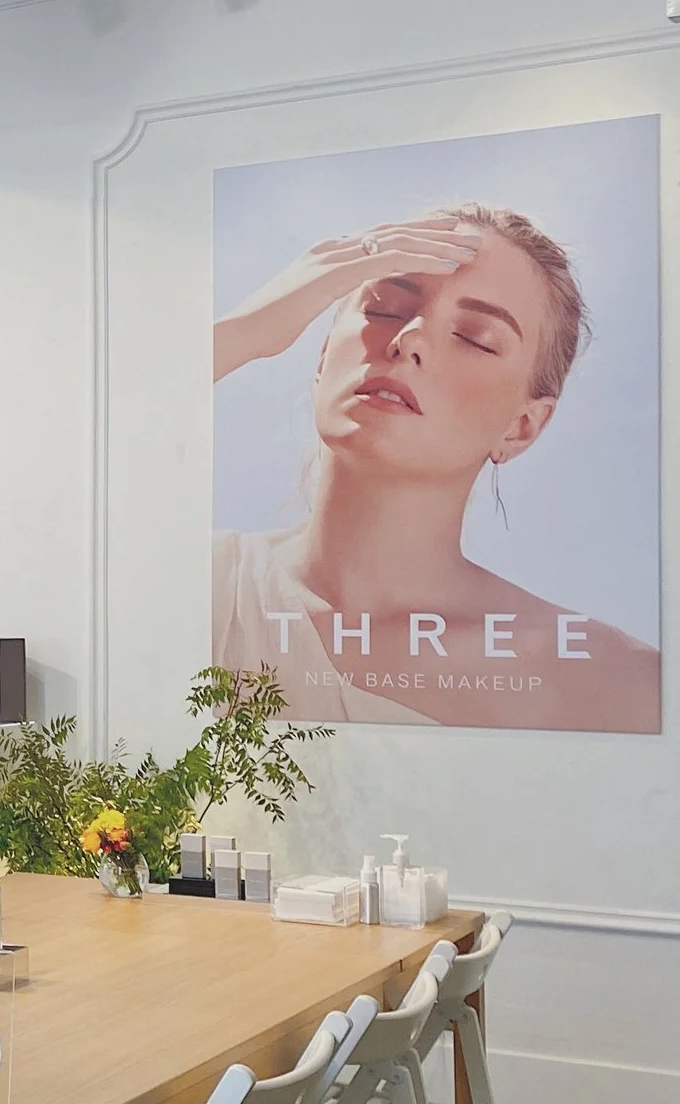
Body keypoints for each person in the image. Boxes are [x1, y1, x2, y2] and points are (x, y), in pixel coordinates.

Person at [212, 204, 657, 730]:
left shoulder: (617, 683)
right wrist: (244, 332)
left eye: (474, 337)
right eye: (382, 308)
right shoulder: (206, 588)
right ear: (322, 357)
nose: (409, 340)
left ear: (522, 426)